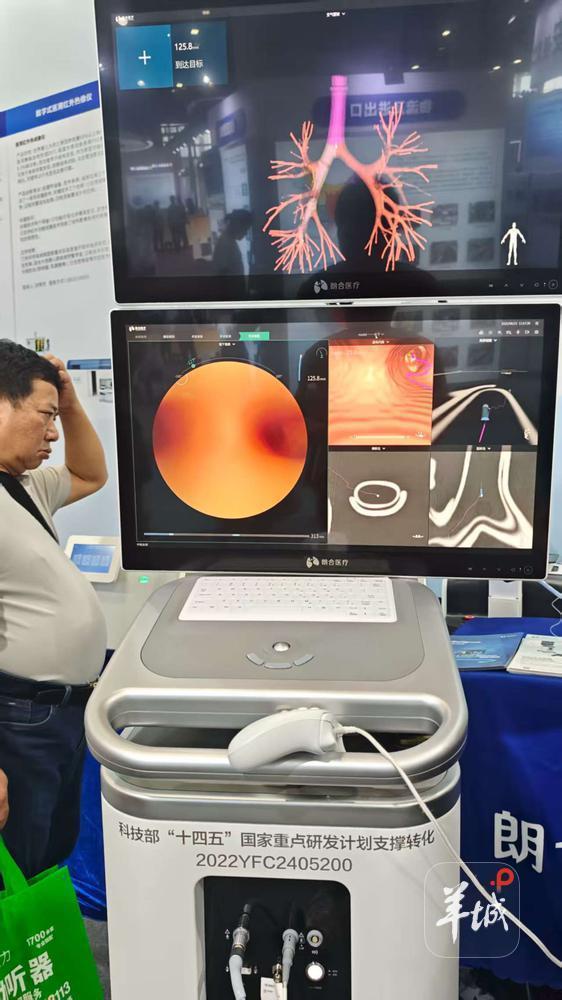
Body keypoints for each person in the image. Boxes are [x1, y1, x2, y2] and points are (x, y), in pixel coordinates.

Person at [0, 340, 108, 877]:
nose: (54, 433)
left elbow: (90, 475)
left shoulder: (20, 488)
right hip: (17, 719)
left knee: (45, 858)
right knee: (15, 868)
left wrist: (67, 400)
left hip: (56, 717)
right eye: (45, 416)